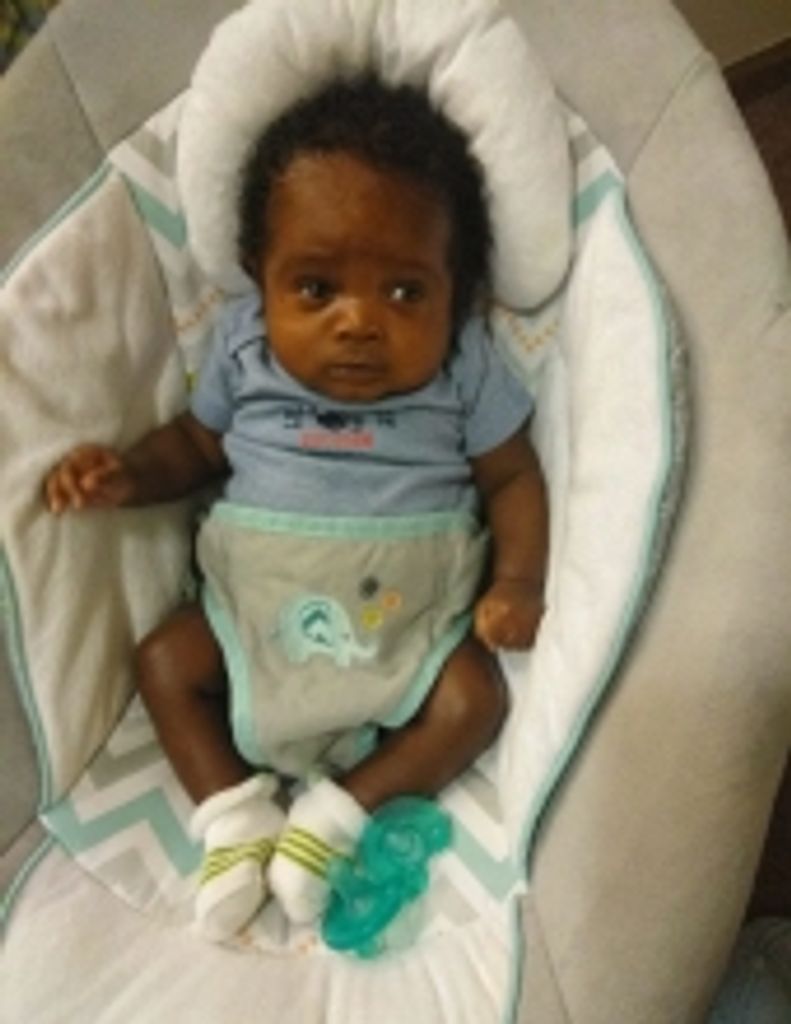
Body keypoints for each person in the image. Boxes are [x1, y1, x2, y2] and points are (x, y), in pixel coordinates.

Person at [43, 76, 549, 941]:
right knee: (165, 659)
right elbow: (196, 447)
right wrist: (128, 475)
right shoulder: (243, 347)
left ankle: (340, 814)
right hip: (255, 614)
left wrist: (519, 581)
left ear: (455, 289)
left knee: (473, 700)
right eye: (315, 288)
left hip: (405, 621)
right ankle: (233, 817)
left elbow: (511, 479)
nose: (358, 322)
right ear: (260, 279)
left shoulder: (463, 363)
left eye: (404, 293)